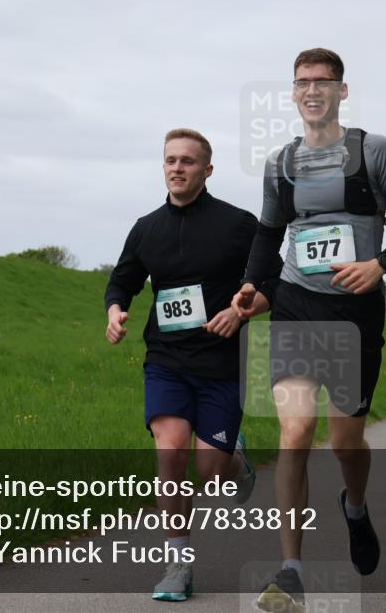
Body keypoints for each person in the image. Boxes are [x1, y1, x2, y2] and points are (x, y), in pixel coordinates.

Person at [233, 48, 386, 611]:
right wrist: (253, 285)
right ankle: (291, 567)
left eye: (324, 82)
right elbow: (268, 235)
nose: (313, 90)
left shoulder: (373, 152)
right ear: (293, 94)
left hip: (355, 316)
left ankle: (355, 506)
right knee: (294, 434)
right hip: (297, 306)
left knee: (346, 444)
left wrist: (380, 265)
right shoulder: (281, 164)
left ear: (343, 91)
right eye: (303, 83)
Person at [105, 128, 280, 602]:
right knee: (171, 454)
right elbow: (122, 280)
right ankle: (177, 568)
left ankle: (235, 462)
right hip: (165, 360)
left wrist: (242, 309)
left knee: (211, 470)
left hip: (221, 364)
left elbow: (275, 282)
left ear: (207, 169)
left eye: (187, 161)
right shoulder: (146, 228)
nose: (177, 168)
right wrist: (115, 311)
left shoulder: (239, 225)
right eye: (170, 160)